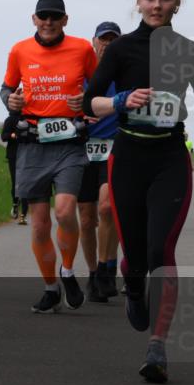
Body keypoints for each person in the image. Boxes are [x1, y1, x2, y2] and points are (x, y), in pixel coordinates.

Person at [84, 0, 194, 383]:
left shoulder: (190, 51)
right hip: (126, 158)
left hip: (168, 160)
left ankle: (158, 345)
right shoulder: (120, 50)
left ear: (177, 3)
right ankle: (134, 288)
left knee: (162, 250)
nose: (157, 5)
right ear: (139, 2)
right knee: (136, 258)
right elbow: (91, 102)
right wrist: (122, 99)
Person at [2, 0, 97, 313]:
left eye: (55, 17)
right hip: (32, 143)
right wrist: (10, 102)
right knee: (40, 224)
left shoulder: (83, 48)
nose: (48, 22)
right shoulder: (19, 50)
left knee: (65, 211)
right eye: (43, 16)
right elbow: (7, 88)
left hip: (69, 143)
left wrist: (86, 98)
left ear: (65, 20)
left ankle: (68, 270)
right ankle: (50, 288)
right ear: (34, 19)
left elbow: (97, 86)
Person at [77, 22, 122, 303]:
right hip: (82, 151)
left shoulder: (125, 73)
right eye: (103, 40)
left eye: (112, 40)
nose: (107, 44)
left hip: (114, 148)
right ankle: (93, 273)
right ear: (93, 42)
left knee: (107, 207)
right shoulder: (80, 72)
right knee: (86, 217)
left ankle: (107, 267)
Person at [0, 114, 29, 225]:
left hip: (28, 155)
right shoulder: (10, 119)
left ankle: (23, 215)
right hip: (14, 155)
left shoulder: (31, 117)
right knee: (16, 183)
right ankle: (15, 203)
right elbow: (3, 136)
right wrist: (14, 135)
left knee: (26, 183)